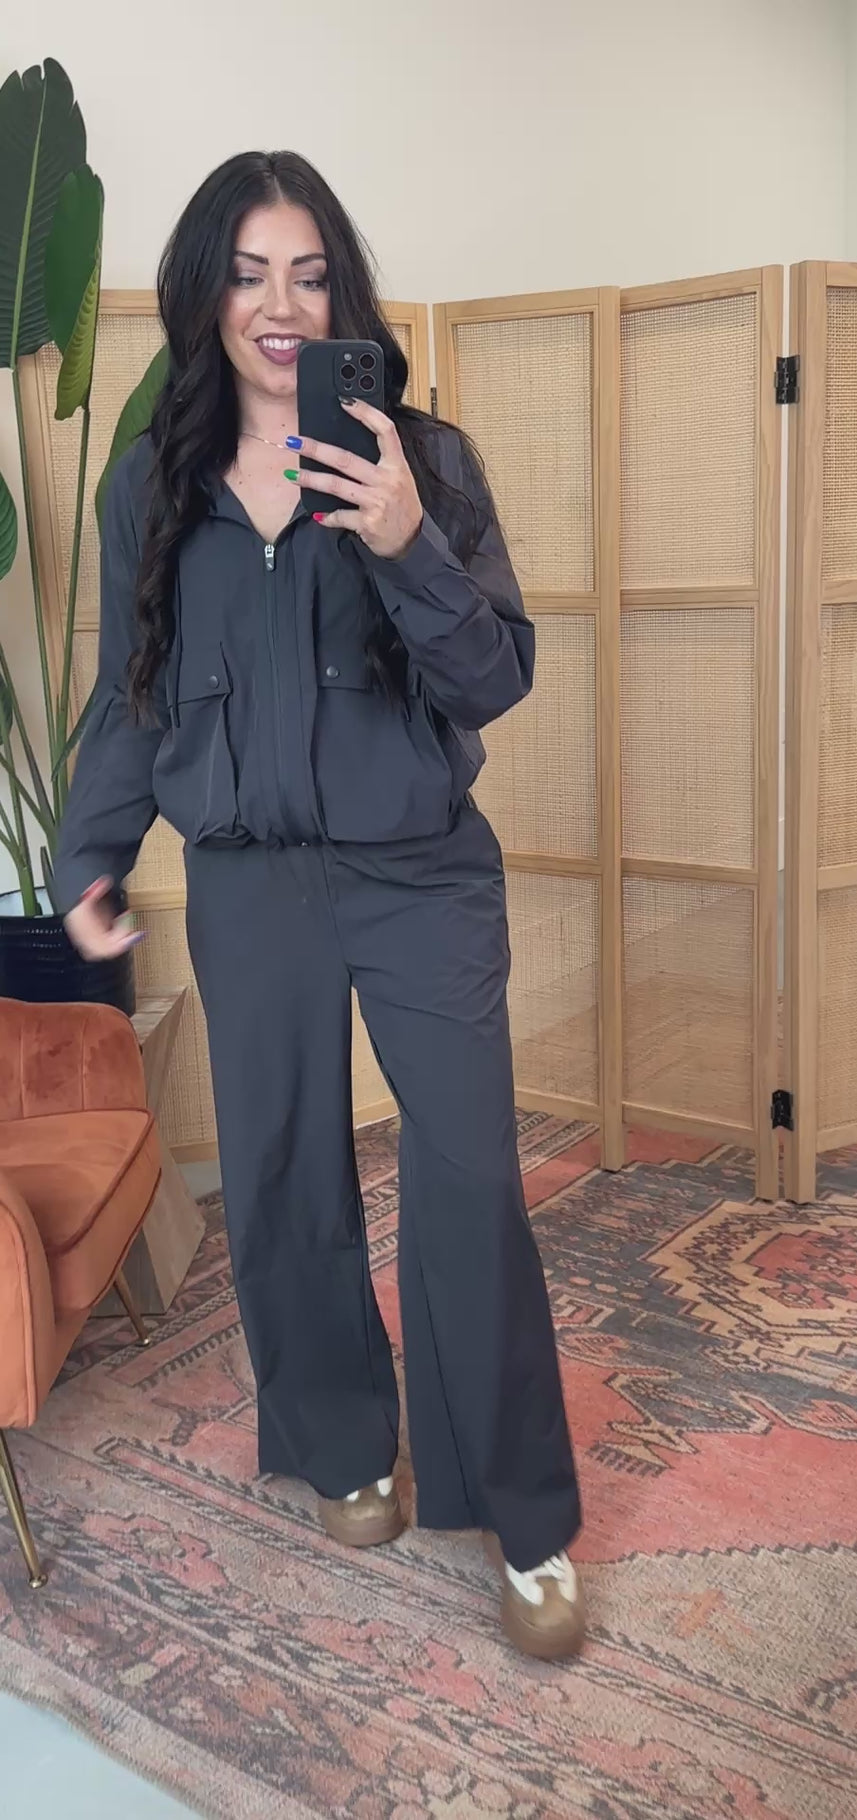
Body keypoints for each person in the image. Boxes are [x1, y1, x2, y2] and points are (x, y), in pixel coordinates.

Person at [56, 151, 583, 1660]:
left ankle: (524, 1517)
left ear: (343, 291)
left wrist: (406, 538)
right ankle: (345, 1441)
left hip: (419, 874)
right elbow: (136, 691)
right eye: (247, 274)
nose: (277, 305)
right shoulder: (153, 482)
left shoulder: (426, 460)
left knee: (468, 1179)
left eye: (306, 273)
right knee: (283, 1169)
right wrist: (90, 857)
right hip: (252, 880)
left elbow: (495, 679)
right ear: (204, 296)